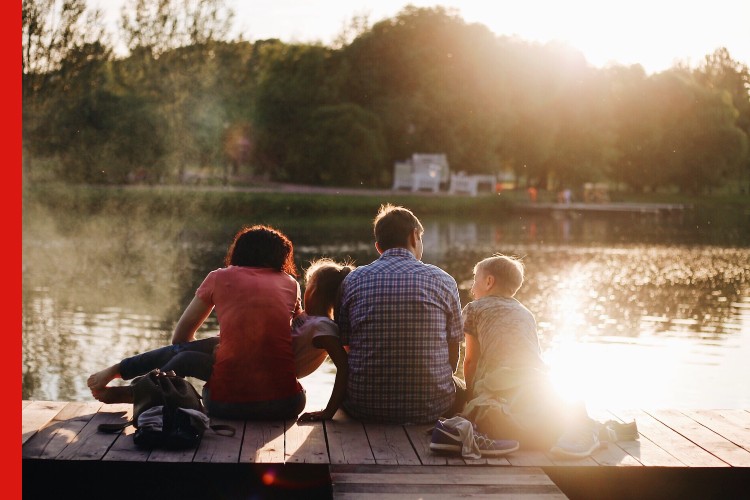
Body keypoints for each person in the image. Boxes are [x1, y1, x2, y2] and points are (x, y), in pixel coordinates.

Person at [88, 225, 306, 420]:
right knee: (206, 349)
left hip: (226, 405)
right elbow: (292, 336)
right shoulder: (290, 284)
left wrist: (216, 353)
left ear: (239, 251)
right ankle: (135, 386)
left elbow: (180, 338)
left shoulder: (219, 278)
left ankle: (130, 379)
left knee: (186, 353)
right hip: (286, 405)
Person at [461, 254, 637, 458]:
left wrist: (470, 395)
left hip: (498, 384)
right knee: (552, 410)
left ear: (489, 282)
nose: (472, 288)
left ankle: (575, 432)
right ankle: (588, 429)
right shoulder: (526, 313)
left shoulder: (474, 309)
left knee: (486, 413)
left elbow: (470, 361)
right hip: (537, 381)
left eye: (475, 281)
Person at [338, 204, 465, 424]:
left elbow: (346, 345)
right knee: (462, 387)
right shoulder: (443, 280)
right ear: (414, 236)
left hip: (363, 405)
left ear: (378, 247)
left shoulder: (354, 279)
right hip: (431, 406)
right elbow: (453, 350)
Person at [295, 258, 354, 421]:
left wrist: (328, 412)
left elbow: (343, 367)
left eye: (307, 286)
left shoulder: (323, 327)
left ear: (312, 291)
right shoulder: (306, 317)